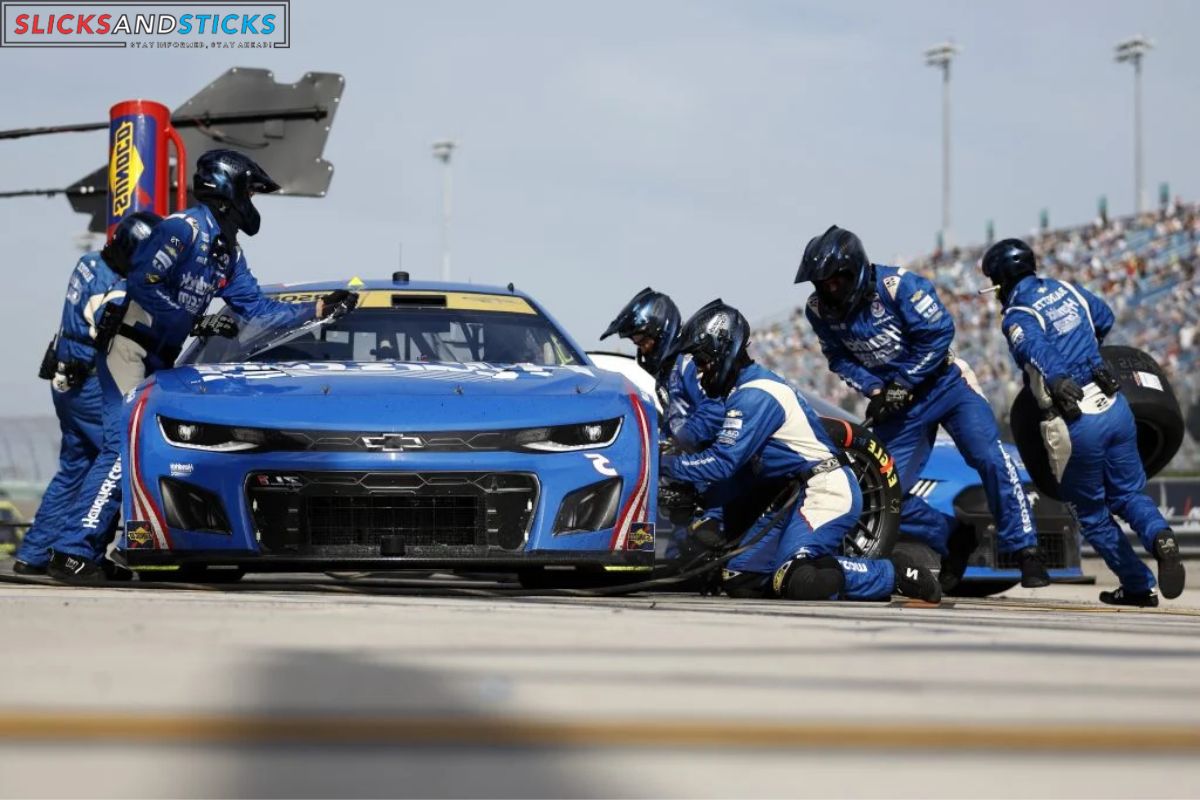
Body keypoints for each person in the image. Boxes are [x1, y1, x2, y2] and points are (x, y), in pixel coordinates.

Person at [45, 149, 357, 583]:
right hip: (128, 349)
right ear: (228, 190)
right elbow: (142, 280)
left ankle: (111, 551)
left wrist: (319, 308)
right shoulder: (181, 229)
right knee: (122, 450)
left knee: (141, 453)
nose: (253, 202)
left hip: (158, 357)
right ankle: (71, 553)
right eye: (250, 191)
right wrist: (194, 318)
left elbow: (257, 310)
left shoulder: (227, 253)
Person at [795, 225, 1048, 592]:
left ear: (856, 270)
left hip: (949, 387)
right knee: (877, 491)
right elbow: (838, 359)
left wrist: (904, 382)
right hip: (901, 408)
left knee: (989, 457)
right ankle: (953, 537)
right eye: (823, 283)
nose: (831, 289)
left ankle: (1026, 550)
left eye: (837, 280)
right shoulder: (817, 310)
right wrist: (876, 388)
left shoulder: (901, 286)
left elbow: (939, 334)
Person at [660, 300, 942, 603]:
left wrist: (665, 465)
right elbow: (745, 476)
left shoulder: (756, 394)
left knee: (799, 580)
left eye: (703, 362)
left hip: (826, 488)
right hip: (792, 494)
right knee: (743, 578)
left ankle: (892, 572)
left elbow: (722, 463)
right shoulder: (742, 392)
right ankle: (804, 569)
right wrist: (700, 498)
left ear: (723, 351)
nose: (700, 374)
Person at [982, 238, 1186, 606]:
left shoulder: (1018, 315)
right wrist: (1086, 353)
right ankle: (1162, 538)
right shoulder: (1066, 289)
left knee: (1091, 514)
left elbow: (1035, 349)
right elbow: (1104, 316)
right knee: (1127, 494)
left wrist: (1061, 376)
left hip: (1077, 422)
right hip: (1117, 407)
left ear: (1001, 280)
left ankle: (1138, 586)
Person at [14, 212, 161, 575]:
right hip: (95, 384)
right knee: (120, 460)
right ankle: (79, 551)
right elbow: (123, 336)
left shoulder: (87, 262)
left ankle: (34, 553)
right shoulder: (119, 291)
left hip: (65, 381)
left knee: (75, 468)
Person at [600, 287, 725, 452]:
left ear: (660, 330)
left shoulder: (689, 362)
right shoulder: (667, 371)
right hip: (692, 459)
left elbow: (715, 410)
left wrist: (677, 443)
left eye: (642, 340)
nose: (642, 349)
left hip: (715, 461)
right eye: (636, 343)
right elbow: (674, 422)